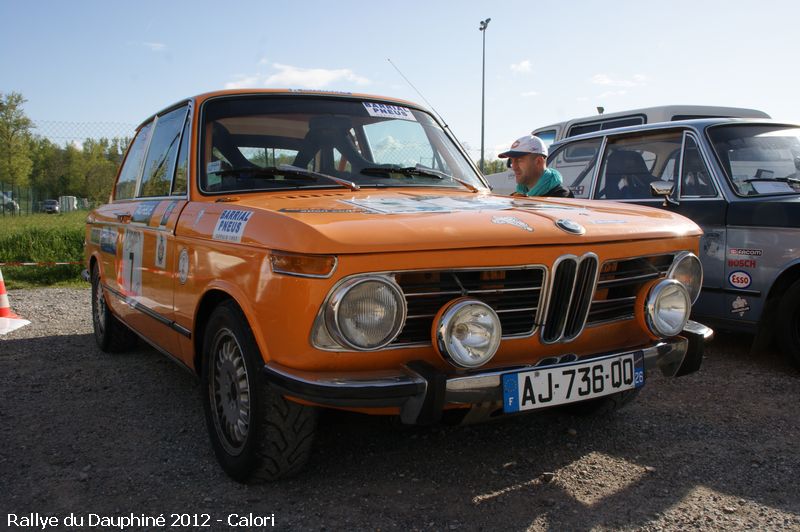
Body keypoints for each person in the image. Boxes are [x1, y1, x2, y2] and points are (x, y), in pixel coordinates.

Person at [498, 134, 573, 198]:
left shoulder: (561, 197)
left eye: (519, 160)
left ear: (538, 161)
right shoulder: (517, 196)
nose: (514, 167)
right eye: (511, 161)